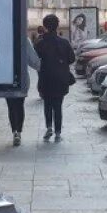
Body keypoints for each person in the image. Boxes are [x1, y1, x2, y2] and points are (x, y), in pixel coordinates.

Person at [34, 13, 75, 141]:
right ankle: (58, 132)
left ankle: (49, 127)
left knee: (47, 104)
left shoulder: (40, 43)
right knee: (58, 105)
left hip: (46, 78)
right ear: (57, 26)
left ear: (45, 26)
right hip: (61, 79)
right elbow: (71, 59)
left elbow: (35, 60)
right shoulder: (64, 42)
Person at [6, 34, 41, 146]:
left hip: (6, 78)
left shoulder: (2, 37)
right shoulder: (24, 39)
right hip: (21, 78)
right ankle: (18, 132)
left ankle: (15, 131)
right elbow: (32, 60)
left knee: (11, 106)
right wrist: (41, 67)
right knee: (19, 105)